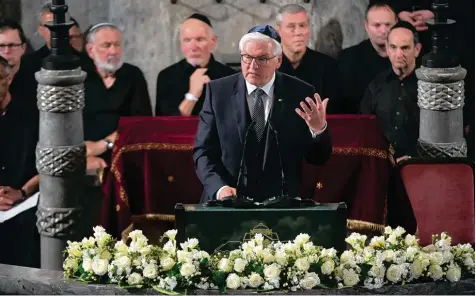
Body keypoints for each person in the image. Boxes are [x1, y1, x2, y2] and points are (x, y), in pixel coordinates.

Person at [193, 25, 332, 203]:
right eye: (247, 58)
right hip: (227, 203)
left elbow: (318, 158)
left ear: (278, 60)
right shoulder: (218, 92)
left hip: (281, 206)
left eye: (262, 59)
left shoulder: (300, 93)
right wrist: (219, 188)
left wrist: (318, 130)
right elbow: (203, 152)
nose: (253, 66)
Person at [83, 23, 152, 163]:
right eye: (106, 45)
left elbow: (141, 122)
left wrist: (104, 144)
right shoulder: (79, 77)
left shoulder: (133, 75)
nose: (113, 51)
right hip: (84, 155)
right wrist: (83, 155)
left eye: (117, 45)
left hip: (127, 154)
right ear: (90, 50)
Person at [360, 21, 421, 163]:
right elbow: (364, 128)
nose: (398, 54)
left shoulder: (429, 86)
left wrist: (413, 157)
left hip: (419, 165)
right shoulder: (376, 85)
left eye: (405, 48)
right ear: (387, 49)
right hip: (380, 164)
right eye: (393, 47)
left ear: (417, 49)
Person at [0, 56, 40, 267]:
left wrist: (23, 192)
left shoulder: (32, 115)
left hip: (26, 200)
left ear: (8, 78)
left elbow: (50, 165)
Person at [155, 13, 235, 116]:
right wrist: (192, 95)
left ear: (213, 42)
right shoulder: (167, 77)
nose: (193, 47)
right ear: (181, 44)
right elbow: (165, 127)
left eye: (200, 39)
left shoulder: (231, 77)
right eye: (187, 40)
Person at [334, 1, 397, 113]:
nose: (383, 31)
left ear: (396, 23)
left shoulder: (408, 57)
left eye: (388, 25)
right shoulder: (349, 58)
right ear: (366, 26)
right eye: (377, 25)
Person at [275, 4, 337, 104]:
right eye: (291, 26)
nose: (298, 32)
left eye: (302, 26)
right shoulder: (267, 67)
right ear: (278, 31)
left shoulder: (328, 67)